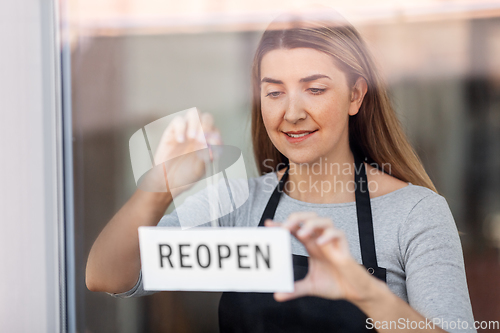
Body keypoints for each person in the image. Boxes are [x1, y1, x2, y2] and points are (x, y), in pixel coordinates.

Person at [86, 12, 476, 333]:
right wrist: (160, 185)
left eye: (315, 89)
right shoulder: (238, 206)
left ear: (355, 95)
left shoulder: (415, 214)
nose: (291, 112)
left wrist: (364, 292)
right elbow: (108, 276)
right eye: (274, 92)